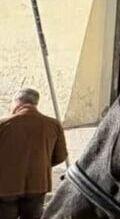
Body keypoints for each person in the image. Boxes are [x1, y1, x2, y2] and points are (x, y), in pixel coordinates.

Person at [0, 89, 67, 219]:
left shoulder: (3, 124)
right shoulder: (53, 125)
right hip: (38, 185)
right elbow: (61, 156)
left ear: (18, 103)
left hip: (5, 187)